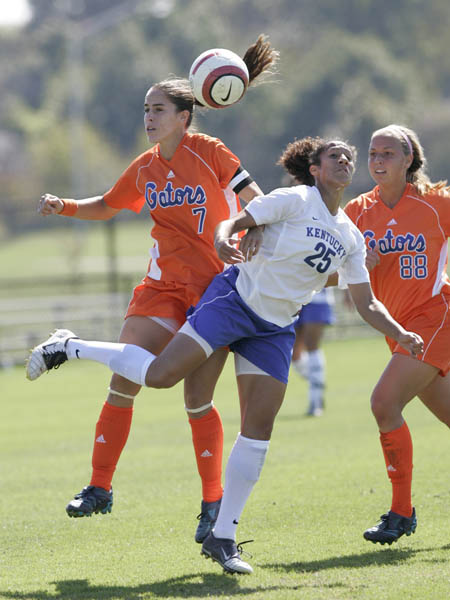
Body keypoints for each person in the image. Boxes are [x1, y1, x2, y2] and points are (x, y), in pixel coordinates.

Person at [27, 135, 424, 574]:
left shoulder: (349, 234)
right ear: (315, 169)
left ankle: (223, 536)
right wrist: (222, 241)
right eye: (336, 155)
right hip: (233, 301)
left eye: (350, 156)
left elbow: (365, 301)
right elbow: (232, 222)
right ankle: (69, 345)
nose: (347, 160)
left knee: (259, 426)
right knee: (159, 376)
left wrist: (400, 332)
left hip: (274, 328)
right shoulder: (294, 199)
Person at [34, 35, 279, 544]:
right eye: (145, 109)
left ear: (183, 116)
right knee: (124, 378)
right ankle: (99, 487)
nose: (149, 117)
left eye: (158, 109)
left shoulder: (209, 151)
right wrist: (66, 207)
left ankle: (212, 504)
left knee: (195, 398)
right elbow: (107, 202)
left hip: (215, 290)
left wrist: (252, 225)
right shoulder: (146, 167)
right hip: (161, 287)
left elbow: (252, 195)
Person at [344, 124, 450, 546]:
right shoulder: (356, 213)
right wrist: (354, 266)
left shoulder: (435, 204)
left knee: (383, 403)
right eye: (372, 153)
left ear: (409, 160)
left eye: (388, 153)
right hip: (400, 332)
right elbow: (329, 273)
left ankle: (401, 512)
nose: (378, 160)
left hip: (435, 319)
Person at [291, 287, 336, 416]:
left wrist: (349, 293)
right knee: (294, 354)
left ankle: (316, 400)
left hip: (318, 296)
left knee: (312, 345)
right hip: (293, 295)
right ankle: (317, 380)